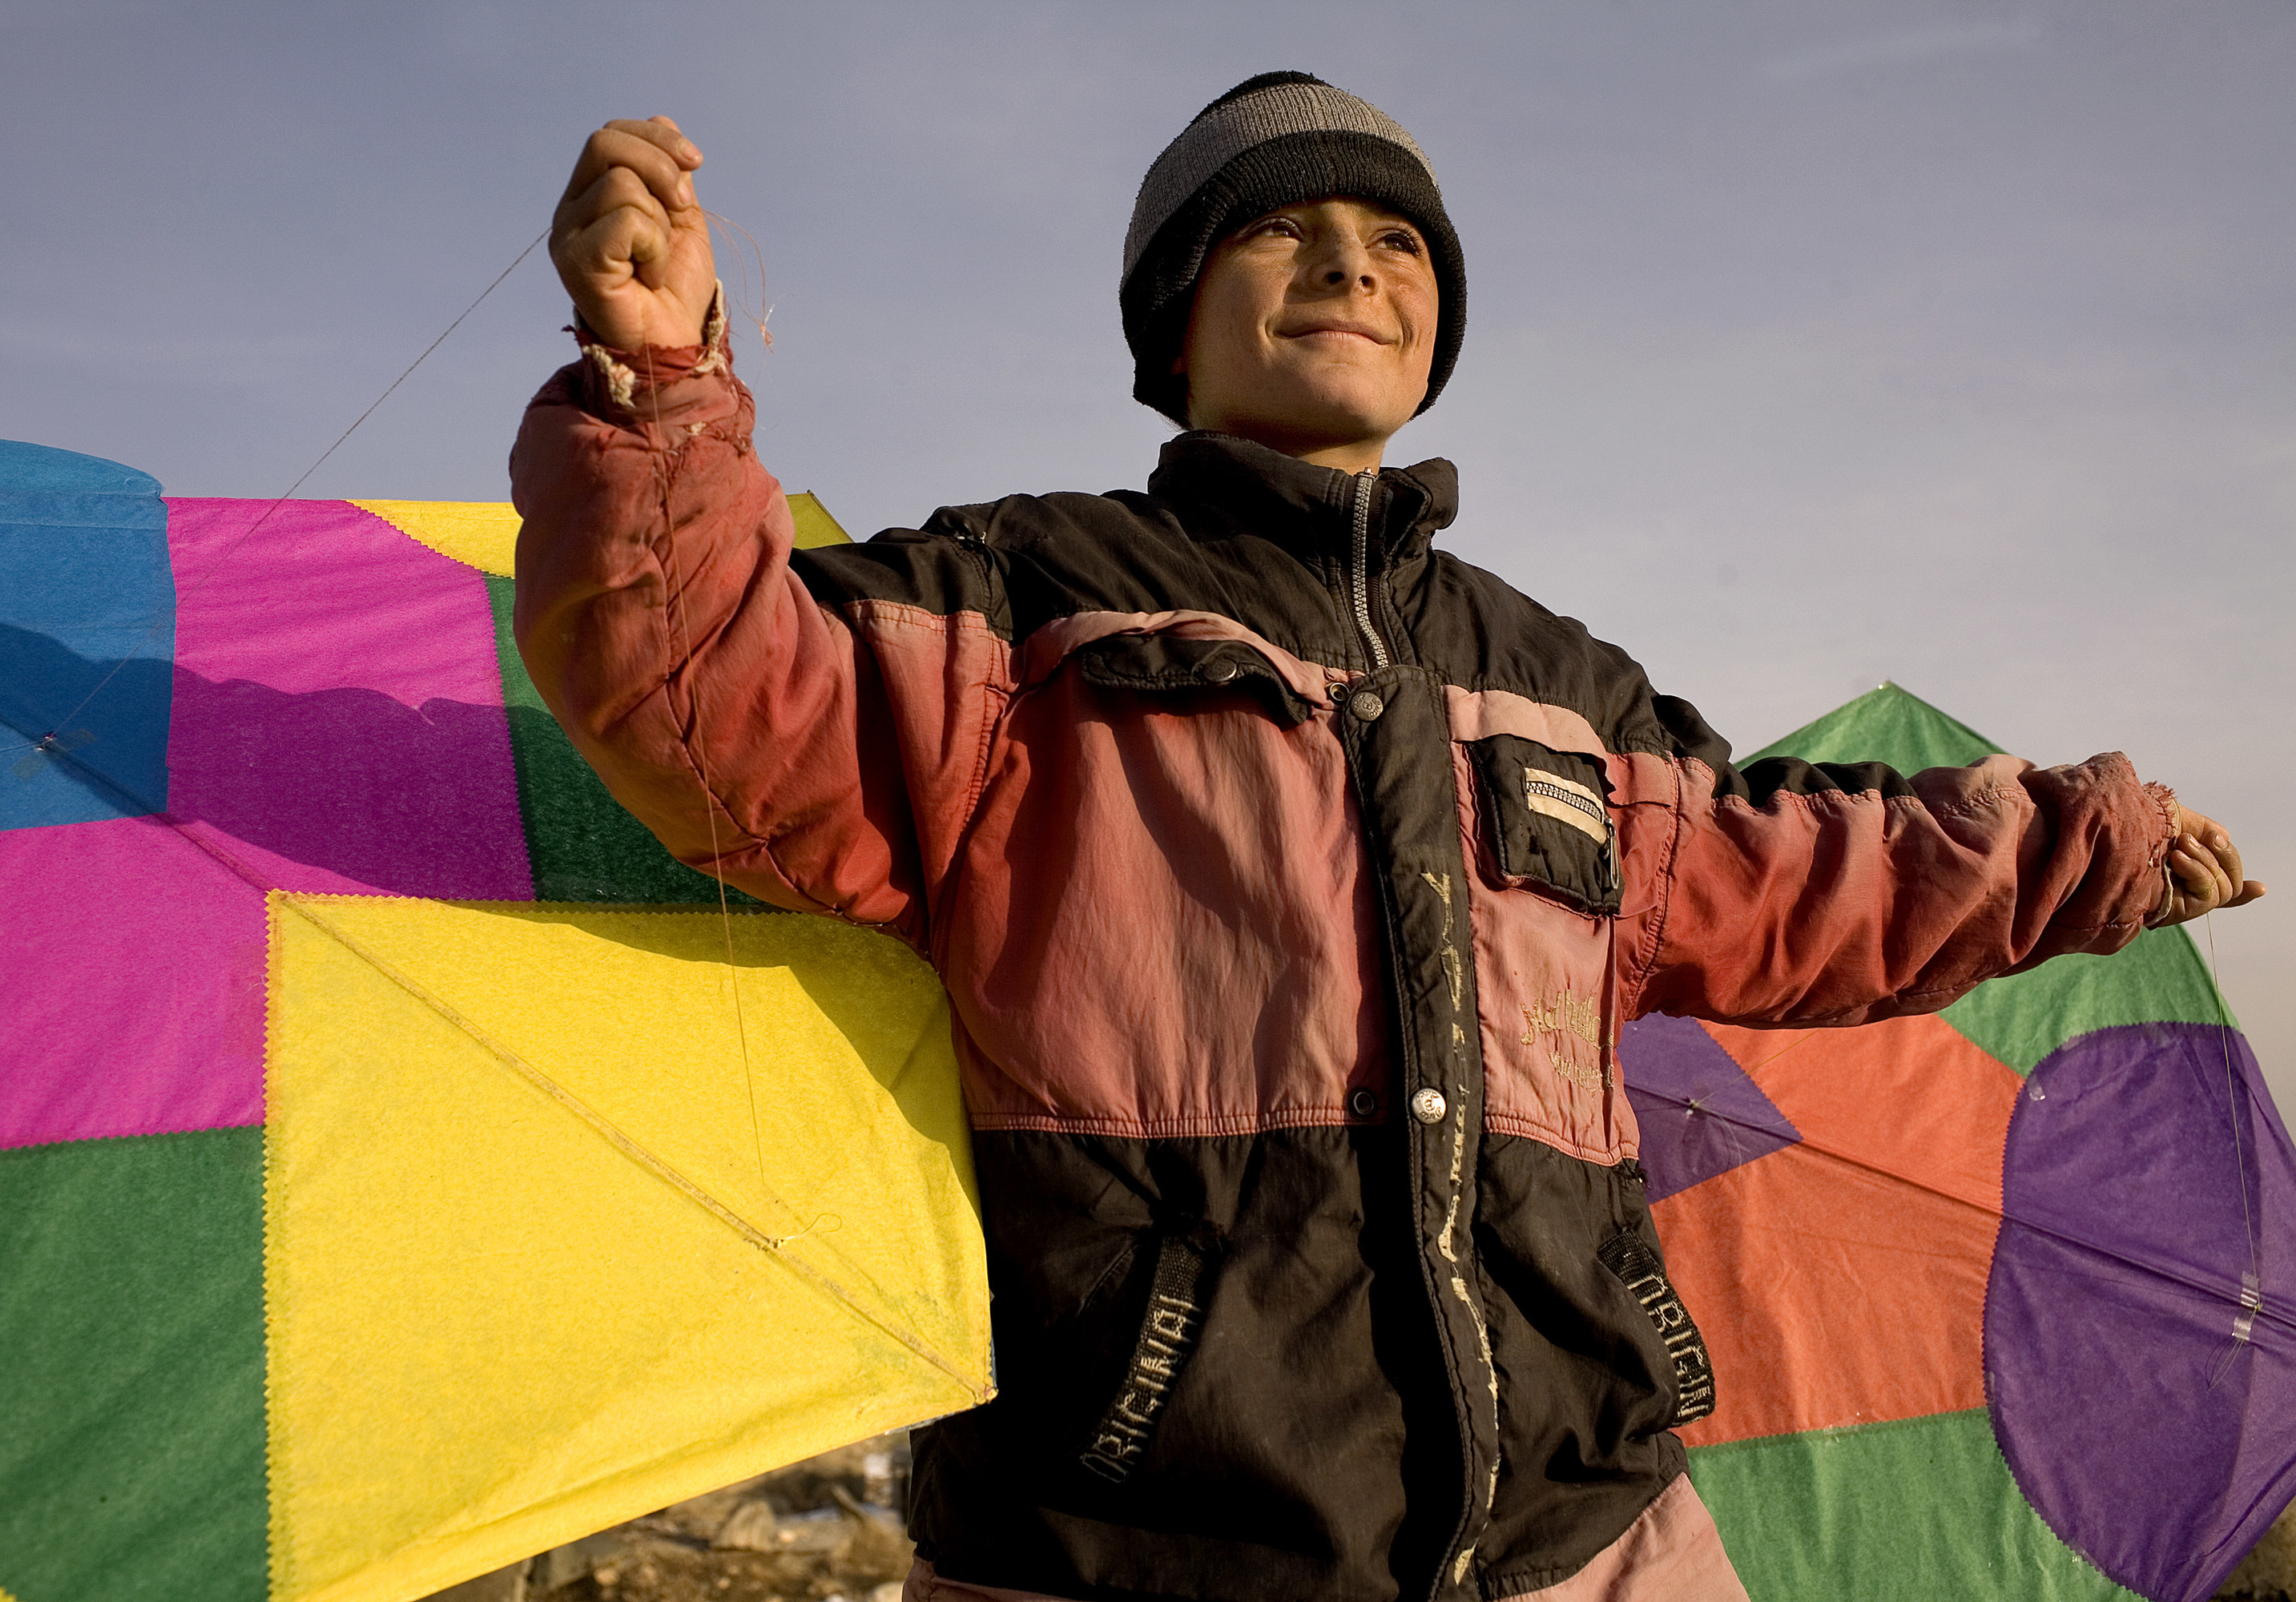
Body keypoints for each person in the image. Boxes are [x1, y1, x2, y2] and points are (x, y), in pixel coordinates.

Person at [513, 73, 2262, 1602]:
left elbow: (1804, 874)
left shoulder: (1568, 682)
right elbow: (710, 697)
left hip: (1592, 1534)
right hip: (1128, 1542)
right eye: (1282, 230)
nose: (1354, 260)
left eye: (1397, 237)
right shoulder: (1024, 596)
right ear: (1170, 325)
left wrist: (2082, 847)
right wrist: (661, 382)